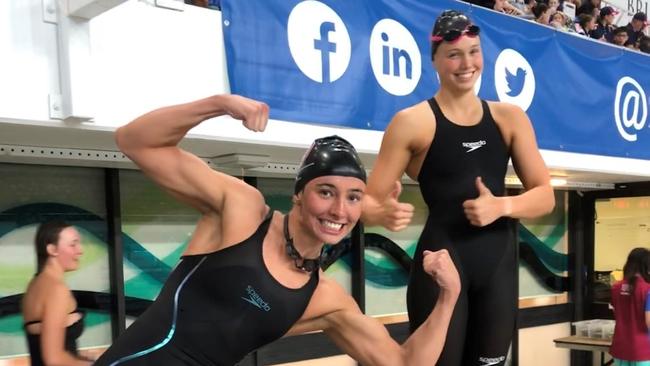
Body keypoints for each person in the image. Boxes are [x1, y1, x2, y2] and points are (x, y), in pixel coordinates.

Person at [94, 94, 461, 366]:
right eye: (326, 191)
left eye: (353, 197)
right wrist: (218, 104)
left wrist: (448, 297)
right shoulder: (243, 212)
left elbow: (403, 364)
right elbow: (135, 140)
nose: (339, 210)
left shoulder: (324, 298)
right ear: (299, 193)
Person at [362, 10, 555, 366]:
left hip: (497, 268)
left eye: (474, 51)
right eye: (454, 54)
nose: (467, 63)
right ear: (434, 59)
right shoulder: (411, 123)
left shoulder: (509, 118)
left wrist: (502, 207)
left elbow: (545, 194)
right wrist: (382, 213)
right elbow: (366, 203)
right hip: (439, 266)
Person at [21, 221, 93, 366]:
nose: (80, 250)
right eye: (73, 244)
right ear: (52, 249)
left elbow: (44, 346)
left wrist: (79, 357)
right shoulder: (56, 289)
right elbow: (54, 360)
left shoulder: (35, 284)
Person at [610, 247, 650, 365]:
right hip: (643, 350)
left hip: (620, 347)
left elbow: (617, 313)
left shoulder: (616, 288)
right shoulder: (647, 289)